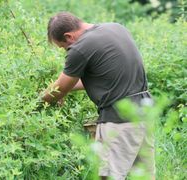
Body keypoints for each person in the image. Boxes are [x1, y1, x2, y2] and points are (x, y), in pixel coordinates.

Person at [42, 12, 155, 180]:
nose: (66, 51)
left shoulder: (80, 48)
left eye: (64, 47)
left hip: (119, 121)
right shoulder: (116, 28)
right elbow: (108, 77)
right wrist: (66, 89)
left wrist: (38, 100)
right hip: (144, 113)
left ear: (68, 36)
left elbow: (58, 88)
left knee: (109, 176)